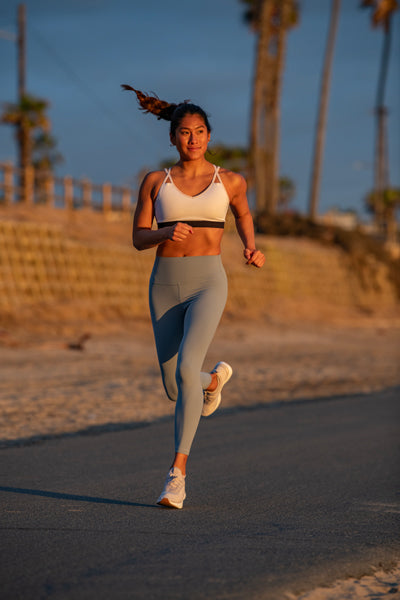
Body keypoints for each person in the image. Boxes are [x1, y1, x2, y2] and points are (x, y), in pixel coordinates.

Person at [123, 85, 265, 509]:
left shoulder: (230, 180)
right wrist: (165, 232)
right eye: (185, 133)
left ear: (209, 135)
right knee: (174, 385)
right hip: (165, 282)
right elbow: (137, 237)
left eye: (200, 132)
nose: (193, 139)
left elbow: (242, 213)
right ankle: (215, 380)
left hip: (208, 282)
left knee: (186, 367)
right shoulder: (155, 181)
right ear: (172, 137)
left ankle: (176, 476)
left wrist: (250, 247)